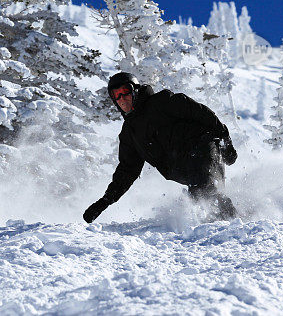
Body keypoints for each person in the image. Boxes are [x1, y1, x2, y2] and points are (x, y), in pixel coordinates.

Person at [83, 72, 238, 223]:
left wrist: (226, 143)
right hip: (184, 170)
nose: (122, 99)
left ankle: (233, 224)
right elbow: (127, 170)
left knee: (203, 191)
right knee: (201, 199)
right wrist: (104, 202)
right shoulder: (130, 133)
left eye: (125, 92)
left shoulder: (163, 102)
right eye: (116, 95)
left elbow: (203, 114)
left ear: (135, 90)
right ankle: (233, 221)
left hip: (202, 150)